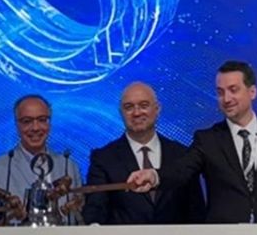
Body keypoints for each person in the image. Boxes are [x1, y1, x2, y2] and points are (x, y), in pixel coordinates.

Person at [160, 61, 257, 223]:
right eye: (220, 92)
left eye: (233, 90)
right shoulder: (207, 140)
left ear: (252, 92)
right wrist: (155, 176)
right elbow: (181, 171)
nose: (226, 99)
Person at [82, 82, 206, 225]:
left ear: (157, 109)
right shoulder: (103, 158)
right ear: (121, 113)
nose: (136, 113)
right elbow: (95, 212)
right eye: (129, 107)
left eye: (144, 105)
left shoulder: (182, 155)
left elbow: (196, 213)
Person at [0, 94, 84, 226]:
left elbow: (81, 213)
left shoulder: (69, 166)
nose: (35, 128)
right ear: (16, 125)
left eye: (42, 120)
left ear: (49, 123)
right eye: (27, 121)